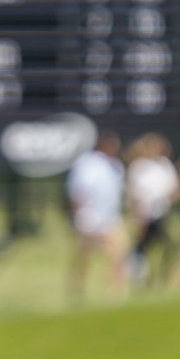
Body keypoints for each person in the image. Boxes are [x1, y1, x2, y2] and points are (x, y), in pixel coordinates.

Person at [65, 129, 129, 305]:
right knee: (83, 255)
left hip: (110, 216)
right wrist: (80, 215)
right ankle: (76, 289)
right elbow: (77, 190)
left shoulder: (115, 166)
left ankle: (115, 292)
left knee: (117, 252)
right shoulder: (87, 163)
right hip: (89, 215)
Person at [125, 132, 180, 287]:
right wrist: (136, 217)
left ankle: (164, 277)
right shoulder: (139, 167)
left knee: (170, 246)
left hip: (162, 214)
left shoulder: (165, 166)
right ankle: (140, 281)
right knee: (140, 251)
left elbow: (173, 191)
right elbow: (134, 196)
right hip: (144, 215)